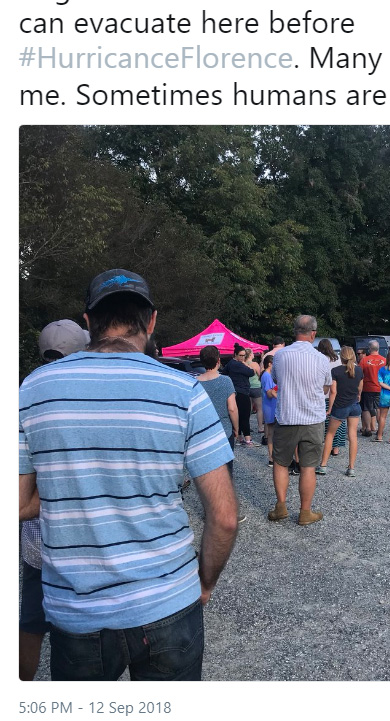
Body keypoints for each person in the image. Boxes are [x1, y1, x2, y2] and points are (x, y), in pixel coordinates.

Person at [19, 269, 238, 681]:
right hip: (169, 600)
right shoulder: (184, 391)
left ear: (88, 323)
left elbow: (16, 502)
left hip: (77, 610)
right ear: (151, 320)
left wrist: (77, 490)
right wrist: (204, 583)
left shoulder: (33, 390)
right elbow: (224, 516)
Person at [19, 319, 88, 681]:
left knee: (31, 622)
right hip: (78, 541)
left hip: (35, 546)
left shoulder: (26, 392)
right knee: (77, 629)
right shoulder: (85, 397)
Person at [269, 315, 332, 525]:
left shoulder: (280, 356)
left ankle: (281, 506)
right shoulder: (322, 359)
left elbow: (277, 380)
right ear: (313, 333)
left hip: (287, 417)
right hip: (313, 418)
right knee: (308, 467)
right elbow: (326, 386)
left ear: (295, 331)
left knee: (280, 463)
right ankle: (305, 512)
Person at [196, 346, 246, 522]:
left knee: (207, 474)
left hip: (202, 434)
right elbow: (232, 408)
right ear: (218, 360)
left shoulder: (195, 383)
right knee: (226, 473)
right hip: (223, 432)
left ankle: (209, 511)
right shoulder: (225, 381)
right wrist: (236, 428)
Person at [317, 347, 363, 477]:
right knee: (352, 436)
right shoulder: (359, 370)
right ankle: (351, 468)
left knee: (330, 434)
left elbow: (333, 391)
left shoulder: (335, 371)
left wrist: (330, 408)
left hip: (340, 406)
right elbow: (360, 389)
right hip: (354, 405)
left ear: (341, 357)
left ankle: (323, 465)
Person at [317, 338, 347, 458]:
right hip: (337, 394)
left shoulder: (318, 359)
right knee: (337, 422)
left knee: (322, 422)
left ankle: (323, 445)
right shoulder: (338, 359)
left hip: (322, 394)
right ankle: (335, 448)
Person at [221, 343, 256, 446]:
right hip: (242, 392)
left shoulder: (230, 364)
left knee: (237, 415)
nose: (242, 357)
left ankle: (239, 437)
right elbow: (251, 372)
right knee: (245, 415)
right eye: (240, 355)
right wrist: (246, 364)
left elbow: (224, 374)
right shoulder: (239, 364)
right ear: (235, 354)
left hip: (234, 392)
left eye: (244, 355)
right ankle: (247, 438)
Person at [359, 340, 386, 437]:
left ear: (369, 348)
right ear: (378, 348)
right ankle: (380, 429)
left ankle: (368, 428)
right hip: (381, 388)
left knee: (366, 408)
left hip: (367, 388)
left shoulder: (364, 360)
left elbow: (359, 374)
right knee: (379, 408)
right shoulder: (384, 360)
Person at [260, 355, 277, 467]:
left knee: (274, 432)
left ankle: (273, 457)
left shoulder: (269, 375)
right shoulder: (266, 375)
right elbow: (269, 393)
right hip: (270, 406)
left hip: (272, 405)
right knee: (271, 433)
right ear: (270, 364)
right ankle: (271, 457)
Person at [245, 348, 264, 436]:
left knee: (248, 408)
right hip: (256, 387)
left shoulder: (243, 364)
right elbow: (260, 375)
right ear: (250, 355)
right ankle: (260, 427)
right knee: (259, 408)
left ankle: (247, 426)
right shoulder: (254, 364)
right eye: (252, 353)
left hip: (247, 387)